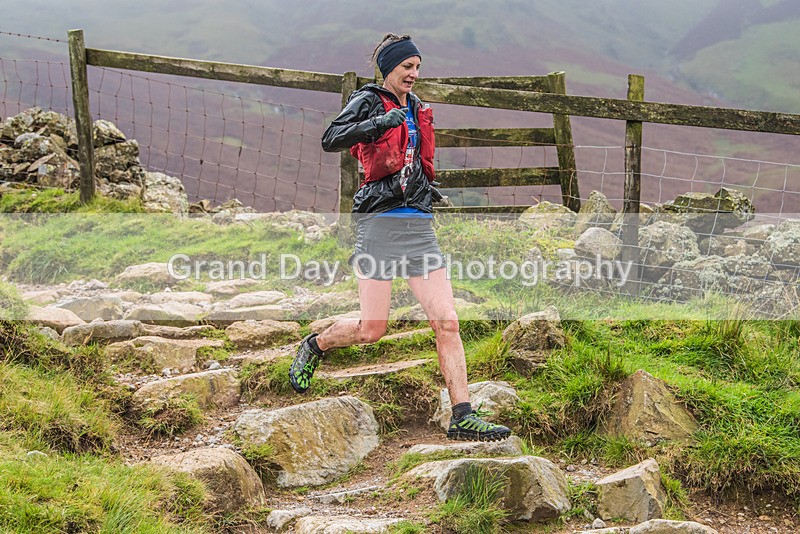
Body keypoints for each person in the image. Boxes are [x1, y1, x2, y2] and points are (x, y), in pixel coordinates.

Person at [288, 34, 511, 443]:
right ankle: (316, 345)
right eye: (407, 66)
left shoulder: (418, 107)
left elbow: (411, 161)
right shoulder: (370, 99)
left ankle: (462, 415)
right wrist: (378, 123)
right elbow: (330, 138)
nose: (414, 73)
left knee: (447, 321)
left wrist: (426, 191)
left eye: (418, 67)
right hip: (378, 225)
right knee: (373, 328)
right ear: (389, 68)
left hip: (418, 229)